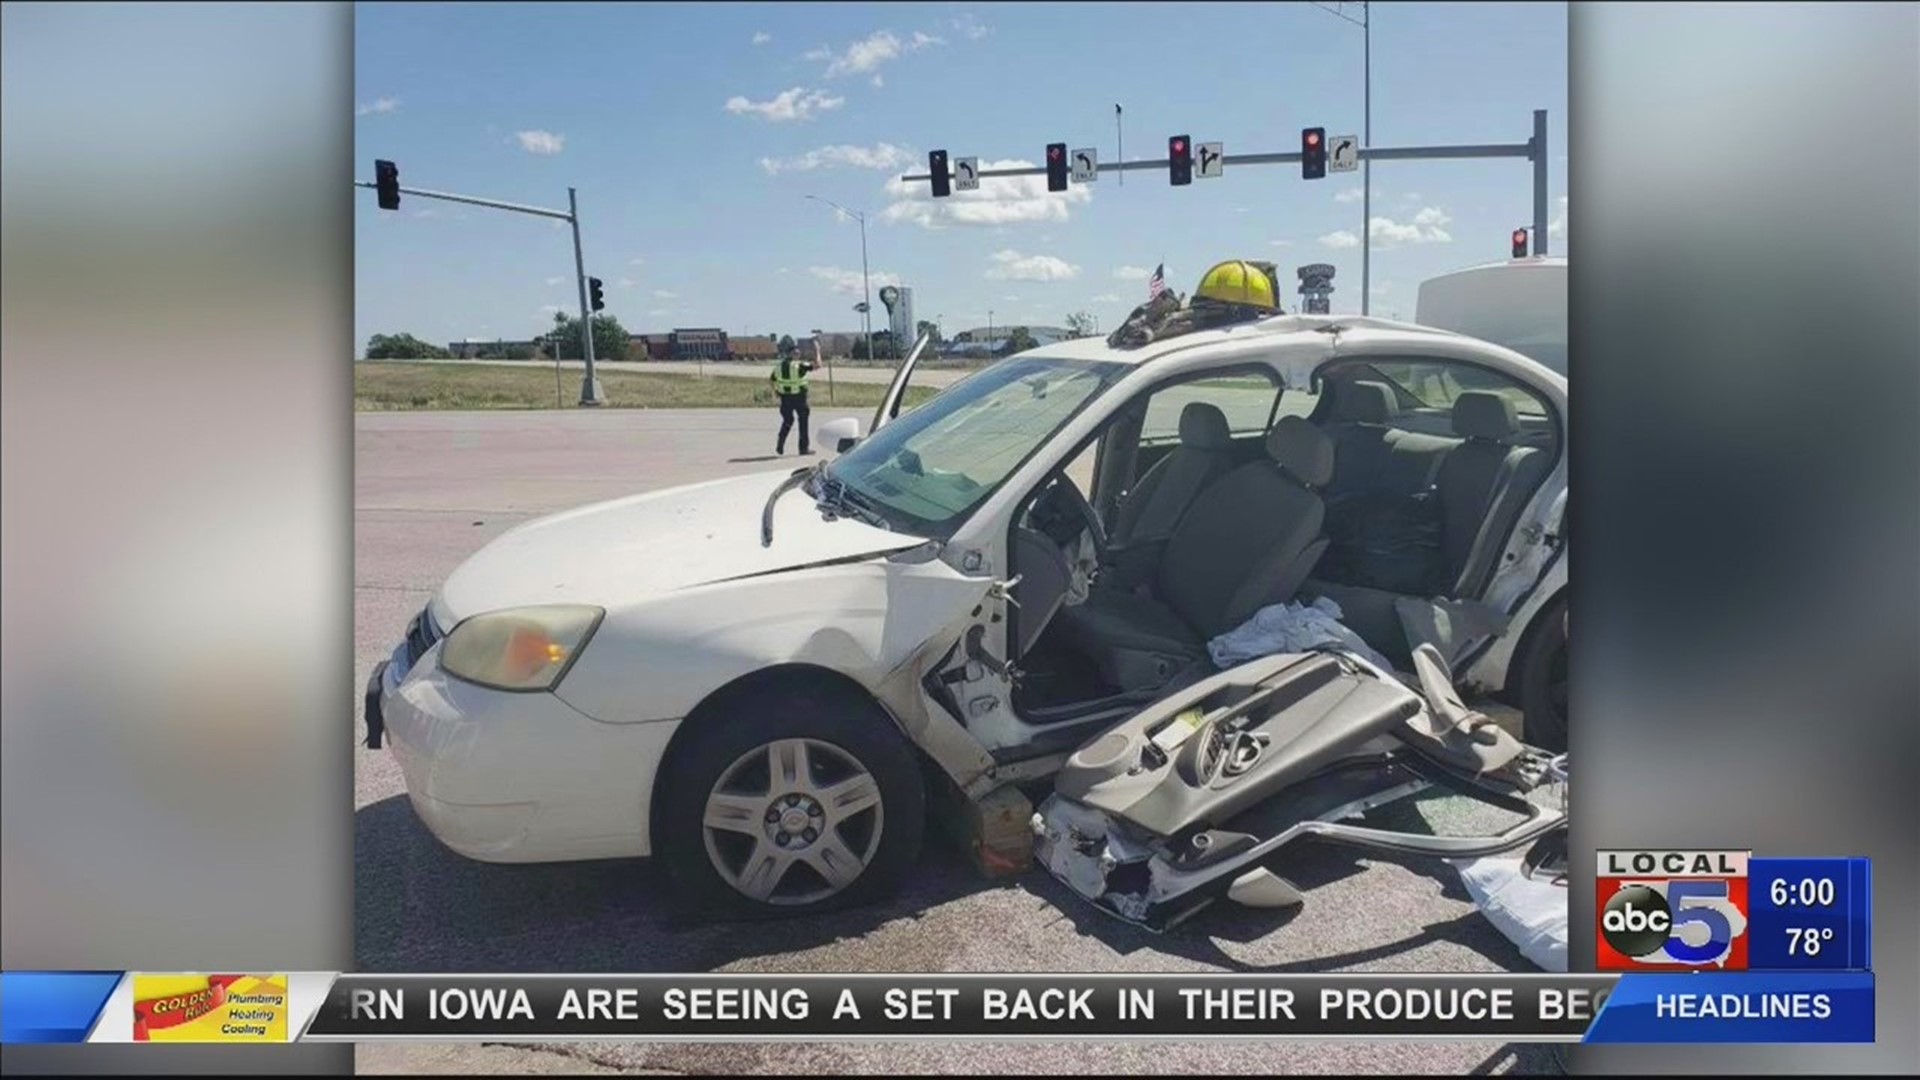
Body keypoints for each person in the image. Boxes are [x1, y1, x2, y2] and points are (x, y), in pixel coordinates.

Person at [770, 338, 826, 455]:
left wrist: (775, 391)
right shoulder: (799, 365)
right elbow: (818, 365)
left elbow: (772, 379)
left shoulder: (779, 366)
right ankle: (803, 448)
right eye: (796, 353)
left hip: (785, 398)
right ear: (792, 354)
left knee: (788, 420)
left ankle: (781, 442)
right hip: (799, 398)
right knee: (803, 422)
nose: (798, 354)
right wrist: (817, 350)